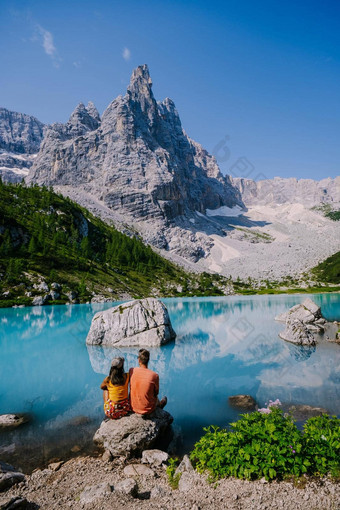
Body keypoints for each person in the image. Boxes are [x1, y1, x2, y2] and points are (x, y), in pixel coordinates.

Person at [129, 349, 167, 415]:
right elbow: (156, 393)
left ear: (139, 360)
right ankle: (160, 405)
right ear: (148, 360)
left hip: (132, 407)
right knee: (153, 394)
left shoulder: (131, 370)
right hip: (147, 409)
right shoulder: (154, 375)